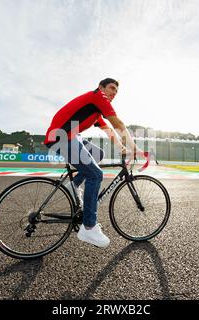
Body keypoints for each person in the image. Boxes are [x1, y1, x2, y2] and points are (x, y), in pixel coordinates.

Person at [44, 78, 144, 248]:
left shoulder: (95, 110)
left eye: (116, 91)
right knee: (96, 175)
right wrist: (134, 148)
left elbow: (109, 130)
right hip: (63, 137)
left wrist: (122, 148)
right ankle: (88, 227)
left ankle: (74, 185)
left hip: (69, 136)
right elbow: (117, 123)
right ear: (101, 87)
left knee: (98, 154)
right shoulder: (97, 98)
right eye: (111, 88)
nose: (114, 93)